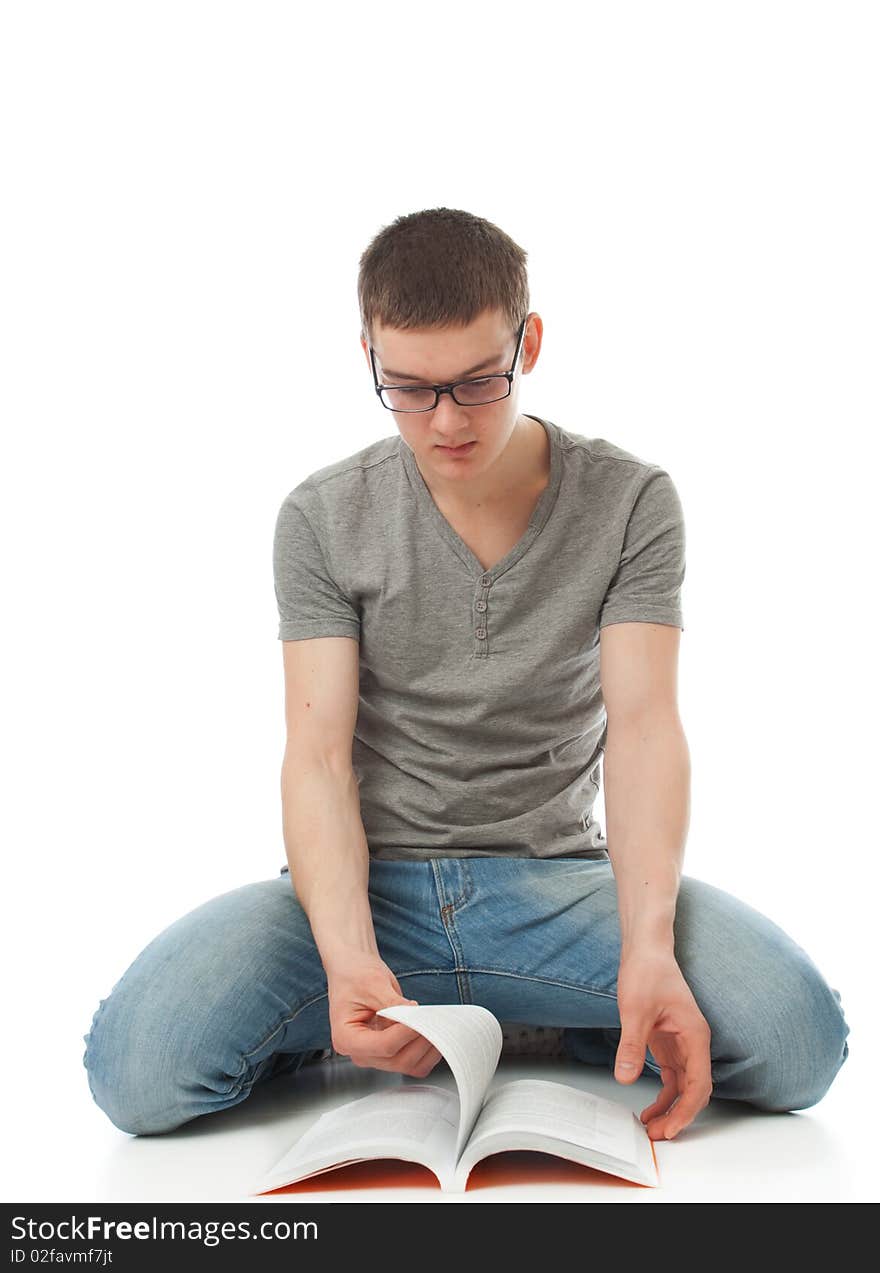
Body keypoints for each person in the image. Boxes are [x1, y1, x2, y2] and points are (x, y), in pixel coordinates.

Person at [82, 206, 850, 1141]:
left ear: (528, 342)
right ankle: (397, 1016)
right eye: (406, 388)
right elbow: (316, 759)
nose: (444, 421)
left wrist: (647, 945)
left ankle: (543, 1016)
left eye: (478, 383)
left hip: (557, 893)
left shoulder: (631, 500)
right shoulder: (321, 516)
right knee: (137, 1073)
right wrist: (348, 954)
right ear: (366, 354)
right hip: (370, 893)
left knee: (799, 1041)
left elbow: (646, 729)